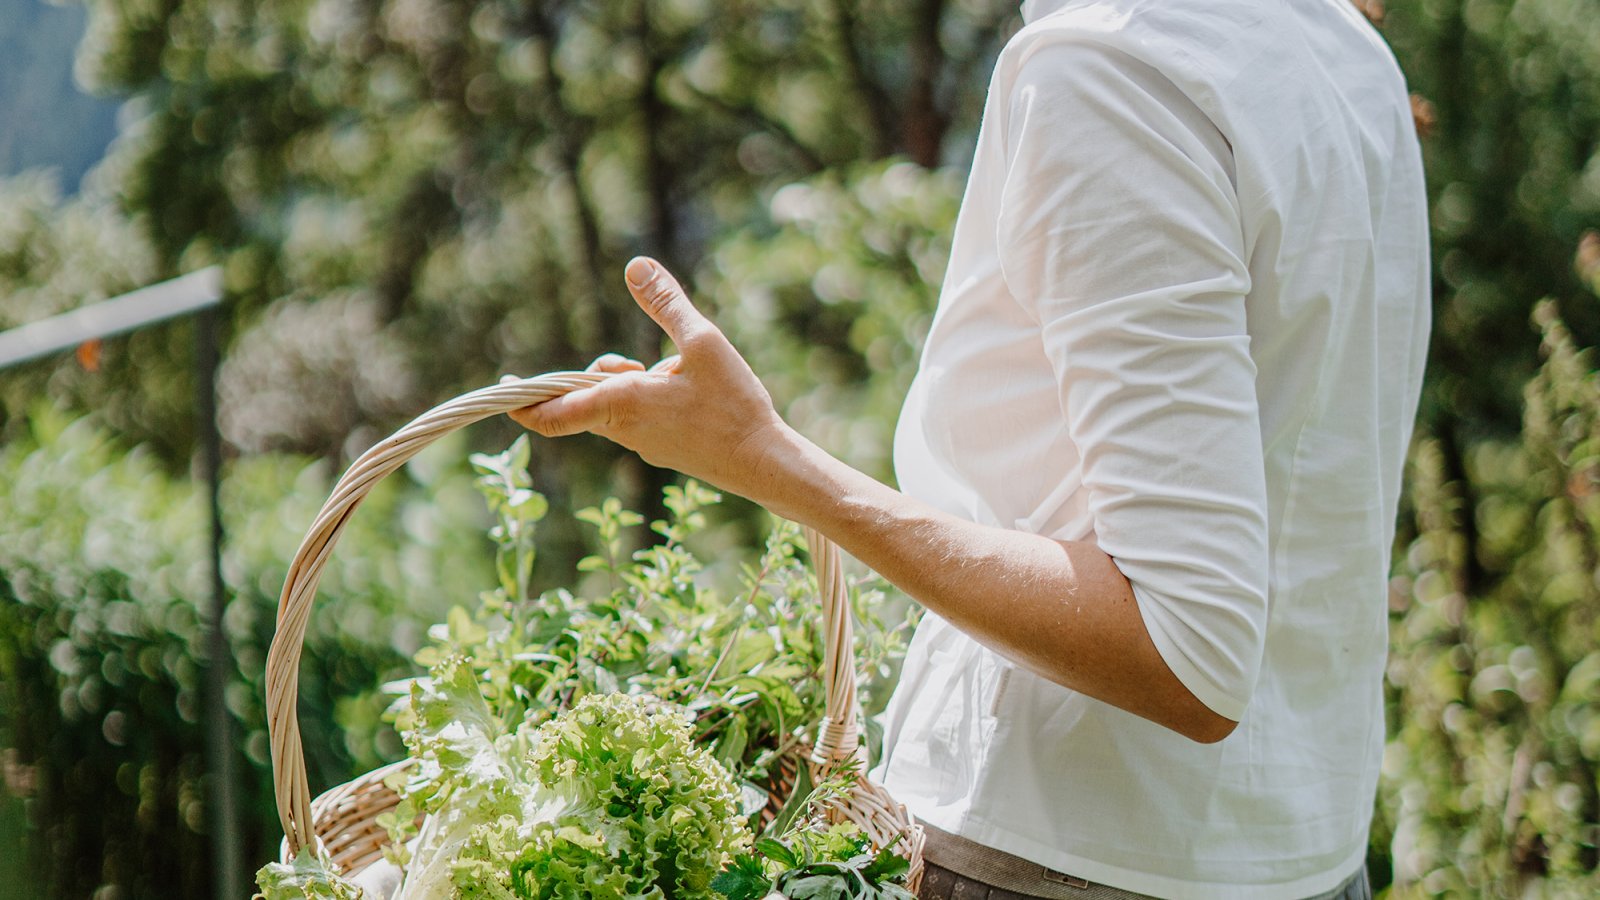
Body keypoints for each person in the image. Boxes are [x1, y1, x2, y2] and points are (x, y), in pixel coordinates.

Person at [509, 0, 1429, 896]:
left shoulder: (1117, 69)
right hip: (1300, 853)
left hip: (1063, 855)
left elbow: (1188, 651)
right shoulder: (1338, 44)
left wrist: (762, 458)